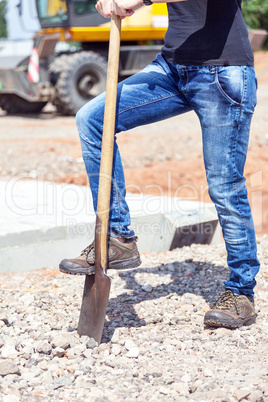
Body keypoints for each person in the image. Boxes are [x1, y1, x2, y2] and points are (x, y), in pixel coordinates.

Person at [59, 0, 260, 329]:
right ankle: (117, 238)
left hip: (223, 71)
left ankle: (241, 292)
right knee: (92, 120)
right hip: (172, 68)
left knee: (225, 186)